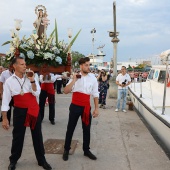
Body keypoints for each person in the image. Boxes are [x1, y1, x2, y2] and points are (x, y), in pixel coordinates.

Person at [1, 57, 52, 170]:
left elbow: (37, 92)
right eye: (22, 64)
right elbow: (5, 101)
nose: (25, 66)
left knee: (37, 135)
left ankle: (41, 160)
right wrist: (4, 118)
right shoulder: (9, 81)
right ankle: (13, 160)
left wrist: (33, 80)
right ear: (14, 66)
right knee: (18, 136)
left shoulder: (31, 77)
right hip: (19, 111)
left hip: (33, 109)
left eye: (25, 64)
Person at [63, 57, 99, 161]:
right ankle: (66, 149)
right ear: (81, 66)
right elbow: (65, 91)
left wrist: (96, 108)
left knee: (87, 129)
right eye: (86, 65)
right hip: (75, 106)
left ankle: (86, 150)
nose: (89, 67)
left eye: (89, 65)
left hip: (86, 106)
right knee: (70, 128)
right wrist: (74, 80)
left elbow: (95, 94)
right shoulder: (75, 76)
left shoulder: (93, 78)